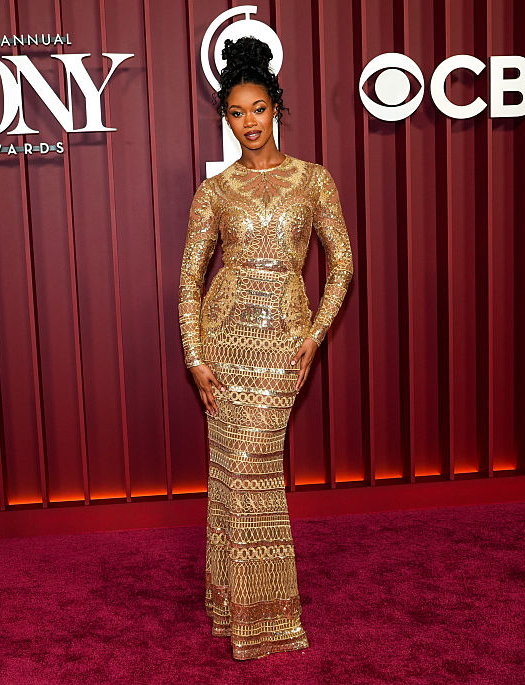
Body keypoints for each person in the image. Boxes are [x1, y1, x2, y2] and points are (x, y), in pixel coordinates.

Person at [177, 35, 354, 660]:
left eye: (257, 109)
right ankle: (233, 603)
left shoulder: (312, 180)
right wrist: (194, 356)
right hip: (224, 342)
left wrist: (315, 333)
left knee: (256, 465)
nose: (247, 123)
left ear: (275, 107)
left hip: (282, 341)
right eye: (235, 113)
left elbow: (343, 261)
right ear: (225, 119)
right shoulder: (216, 191)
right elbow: (192, 276)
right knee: (233, 472)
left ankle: (265, 614)